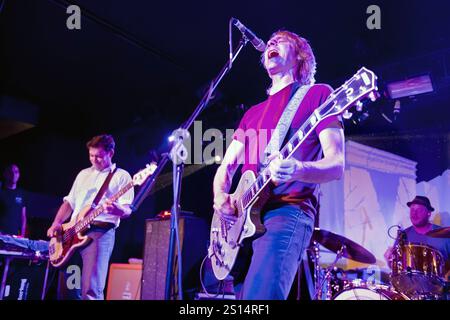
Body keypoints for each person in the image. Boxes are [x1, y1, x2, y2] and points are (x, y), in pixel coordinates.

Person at [213, 30, 345, 299]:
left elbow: (336, 164)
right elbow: (225, 168)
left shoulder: (318, 96)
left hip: (287, 211)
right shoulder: (252, 114)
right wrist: (220, 197)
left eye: (280, 41)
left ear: (299, 56)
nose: (271, 43)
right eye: (269, 42)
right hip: (241, 223)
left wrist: (299, 169)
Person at [46, 134, 134, 300]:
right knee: (68, 290)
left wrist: (117, 210)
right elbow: (69, 203)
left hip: (99, 234)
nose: (94, 160)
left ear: (111, 153)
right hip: (71, 235)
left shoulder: (122, 176)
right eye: (91, 155)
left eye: (99, 156)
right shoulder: (83, 174)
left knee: (90, 289)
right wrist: (57, 222)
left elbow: (128, 210)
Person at [384, 196, 450, 269]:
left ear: (429, 213)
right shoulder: (403, 235)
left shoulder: (444, 235)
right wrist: (389, 260)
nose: (414, 213)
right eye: (412, 210)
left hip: (438, 279)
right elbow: (396, 267)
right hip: (409, 280)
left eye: (419, 210)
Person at [0, 164, 27, 236]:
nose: (13, 174)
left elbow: (23, 217)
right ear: (5, 174)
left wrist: (22, 235)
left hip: (14, 237)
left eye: (16, 172)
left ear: (19, 175)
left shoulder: (21, 194)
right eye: (10, 172)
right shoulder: (1, 192)